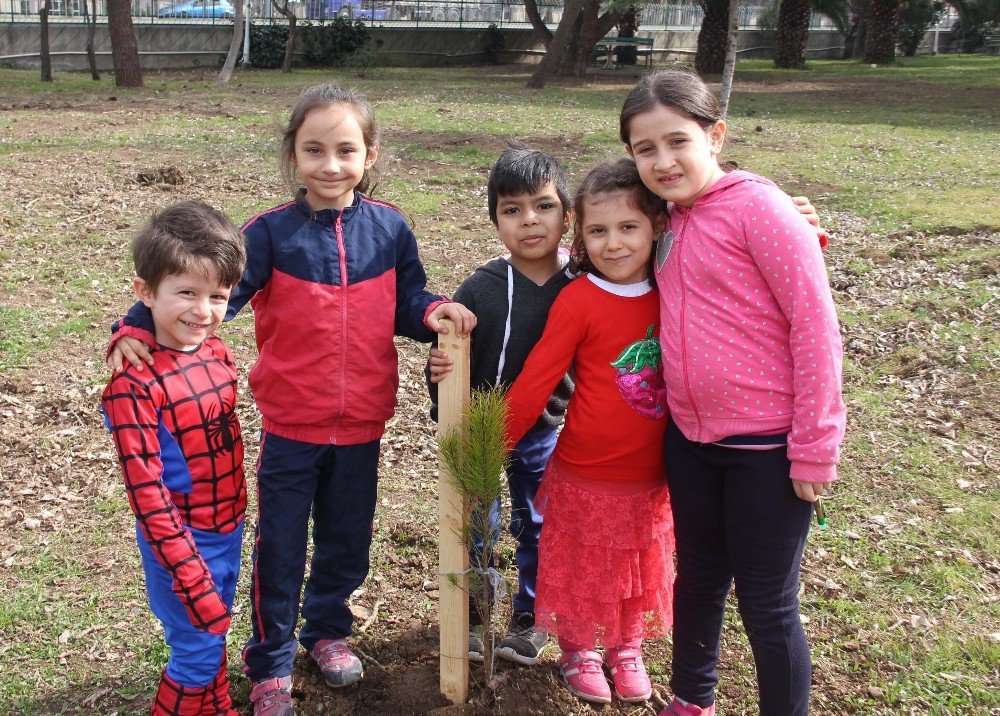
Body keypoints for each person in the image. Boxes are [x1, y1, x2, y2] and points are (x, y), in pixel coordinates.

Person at [106, 84, 475, 716]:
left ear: (370, 154)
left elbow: (408, 301)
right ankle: (271, 663)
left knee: (346, 540)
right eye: (314, 150)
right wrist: (134, 324)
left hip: (362, 427)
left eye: (345, 150)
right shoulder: (271, 234)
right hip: (291, 429)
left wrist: (437, 312)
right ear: (293, 156)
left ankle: (327, 632)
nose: (330, 165)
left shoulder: (390, 230)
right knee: (280, 547)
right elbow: (207, 295)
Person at [619, 69, 846, 716]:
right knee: (697, 580)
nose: (663, 161)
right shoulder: (661, 219)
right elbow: (607, 234)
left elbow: (815, 324)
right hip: (690, 443)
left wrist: (815, 448)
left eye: (677, 141)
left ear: (714, 135)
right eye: (644, 149)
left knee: (767, 602)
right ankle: (692, 701)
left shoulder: (760, 207)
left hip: (767, 451)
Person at [500, 159, 675, 705]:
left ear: (657, 229)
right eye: (598, 231)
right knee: (581, 566)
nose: (613, 244)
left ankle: (626, 648)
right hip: (584, 469)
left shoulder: (672, 291)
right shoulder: (579, 299)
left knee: (631, 566)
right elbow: (537, 379)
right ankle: (578, 649)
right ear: (581, 235)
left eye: (629, 228)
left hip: (651, 473)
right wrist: (493, 440)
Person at [427, 143, 574, 667]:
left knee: (540, 522)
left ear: (568, 214)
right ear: (495, 221)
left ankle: (533, 618)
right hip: (481, 432)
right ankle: (469, 615)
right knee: (478, 524)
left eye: (543, 205)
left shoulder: (583, 284)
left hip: (544, 434)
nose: (529, 221)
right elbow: (449, 355)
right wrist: (439, 374)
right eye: (512, 210)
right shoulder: (483, 288)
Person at [101, 200, 248, 715]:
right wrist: (186, 567)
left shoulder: (218, 353)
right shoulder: (132, 384)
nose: (202, 310)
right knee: (195, 650)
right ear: (145, 292)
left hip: (228, 527)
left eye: (217, 297)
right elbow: (148, 494)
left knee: (213, 637)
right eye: (186, 293)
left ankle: (218, 705)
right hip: (182, 541)